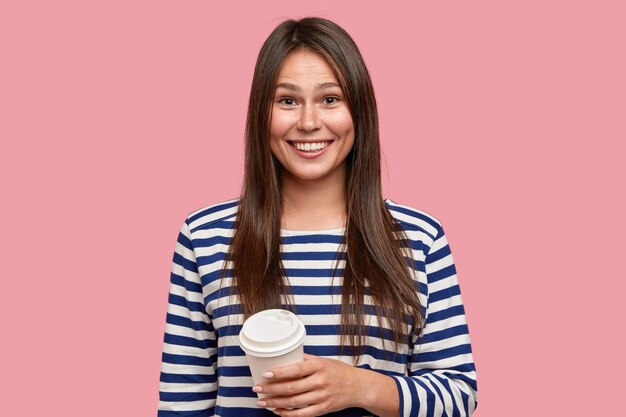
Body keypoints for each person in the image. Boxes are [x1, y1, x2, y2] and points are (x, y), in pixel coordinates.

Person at [158, 17, 477, 417]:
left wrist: (360, 386)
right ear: (262, 113)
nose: (309, 123)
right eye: (287, 101)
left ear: (358, 112)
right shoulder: (205, 237)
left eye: (330, 99)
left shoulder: (419, 238)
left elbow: (459, 396)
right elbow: (181, 403)